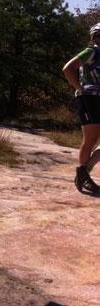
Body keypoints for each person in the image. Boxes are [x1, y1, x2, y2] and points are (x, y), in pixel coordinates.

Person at [62, 22, 100, 194]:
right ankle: (84, 175)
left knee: (92, 140)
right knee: (90, 140)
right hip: (90, 99)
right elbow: (68, 69)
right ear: (94, 37)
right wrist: (79, 88)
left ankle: (84, 172)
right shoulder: (92, 51)